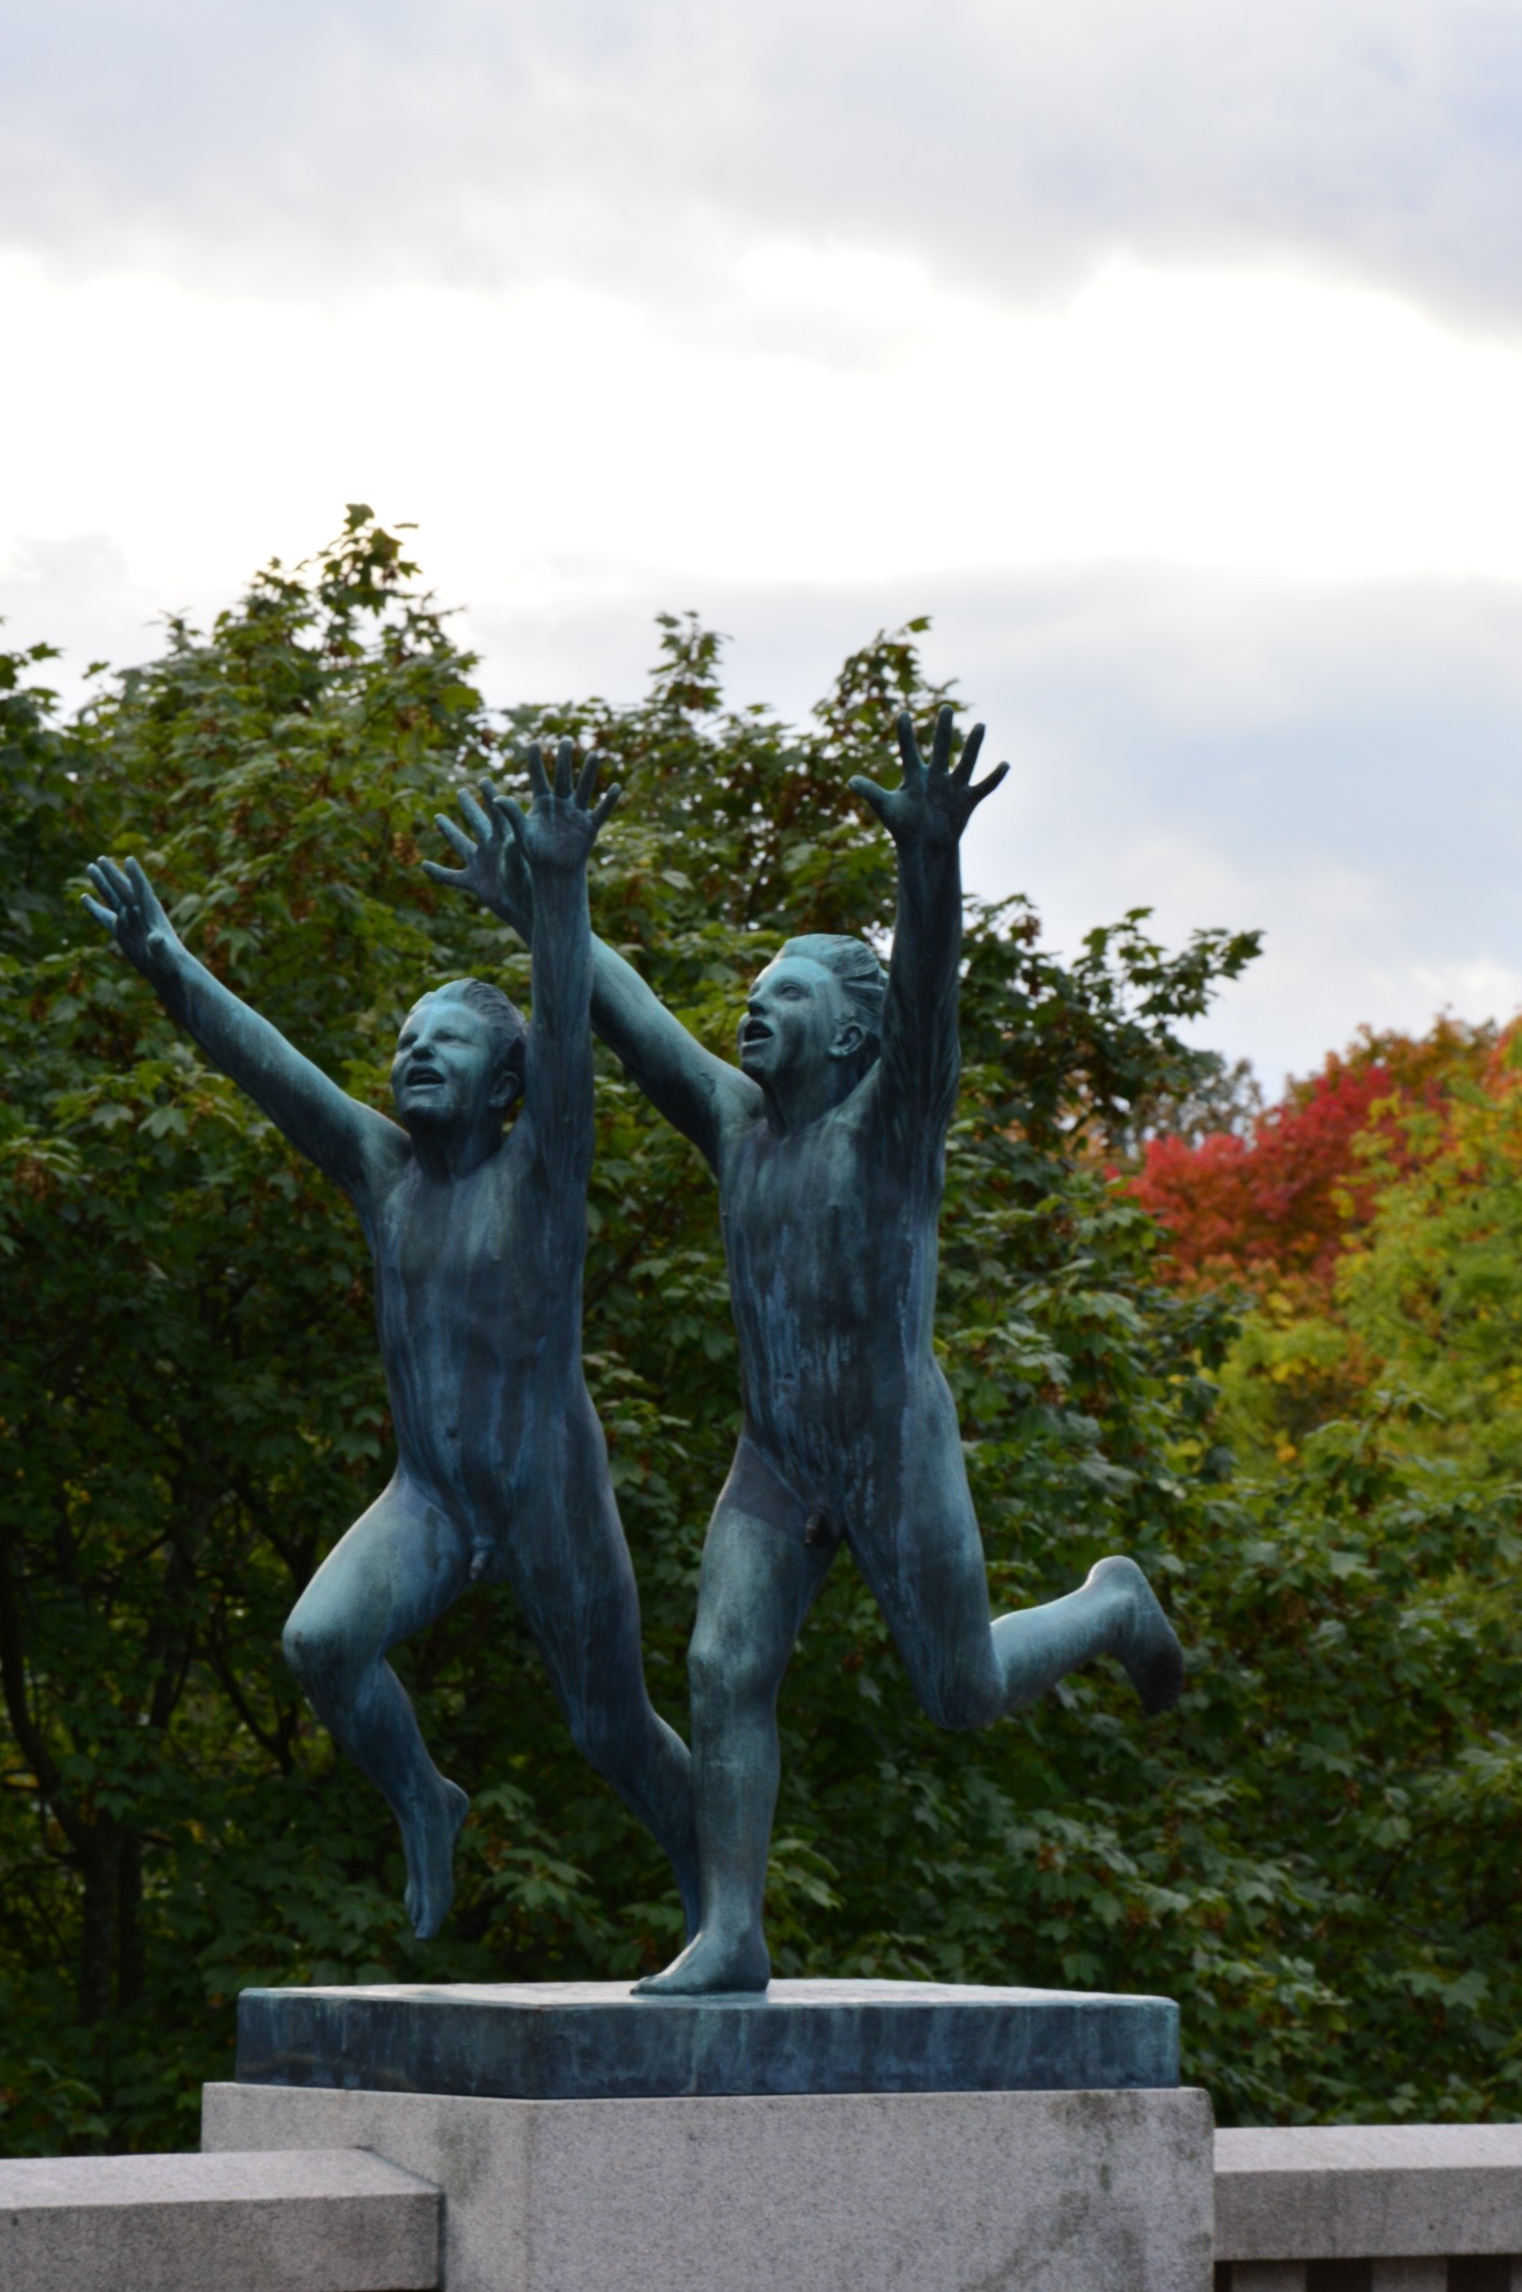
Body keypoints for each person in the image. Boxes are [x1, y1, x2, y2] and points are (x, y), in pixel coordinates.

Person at [435, 712, 1183, 1994]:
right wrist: (545, 899)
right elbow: (629, 1018)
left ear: (848, 1035)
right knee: (721, 1665)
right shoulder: (737, 1127)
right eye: (753, 990)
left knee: (956, 1695)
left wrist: (928, 859)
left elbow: (931, 994)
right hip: (777, 1464)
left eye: (786, 994)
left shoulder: (888, 1136)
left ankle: (1108, 1603)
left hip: (891, 1454)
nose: (752, 1006)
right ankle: (732, 1930)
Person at [85, 743, 697, 1942]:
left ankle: (721, 1907)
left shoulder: (544, 1171)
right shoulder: (381, 1170)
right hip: (430, 1498)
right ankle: (427, 1799)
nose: (414, 1052)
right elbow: (269, 1068)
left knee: (609, 1730)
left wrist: (557, 890)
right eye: (406, 1040)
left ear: (506, 1086)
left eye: (447, 1044)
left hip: (545, 1498)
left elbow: (571, 1036)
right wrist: (167, 962)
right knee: (318, 1641)